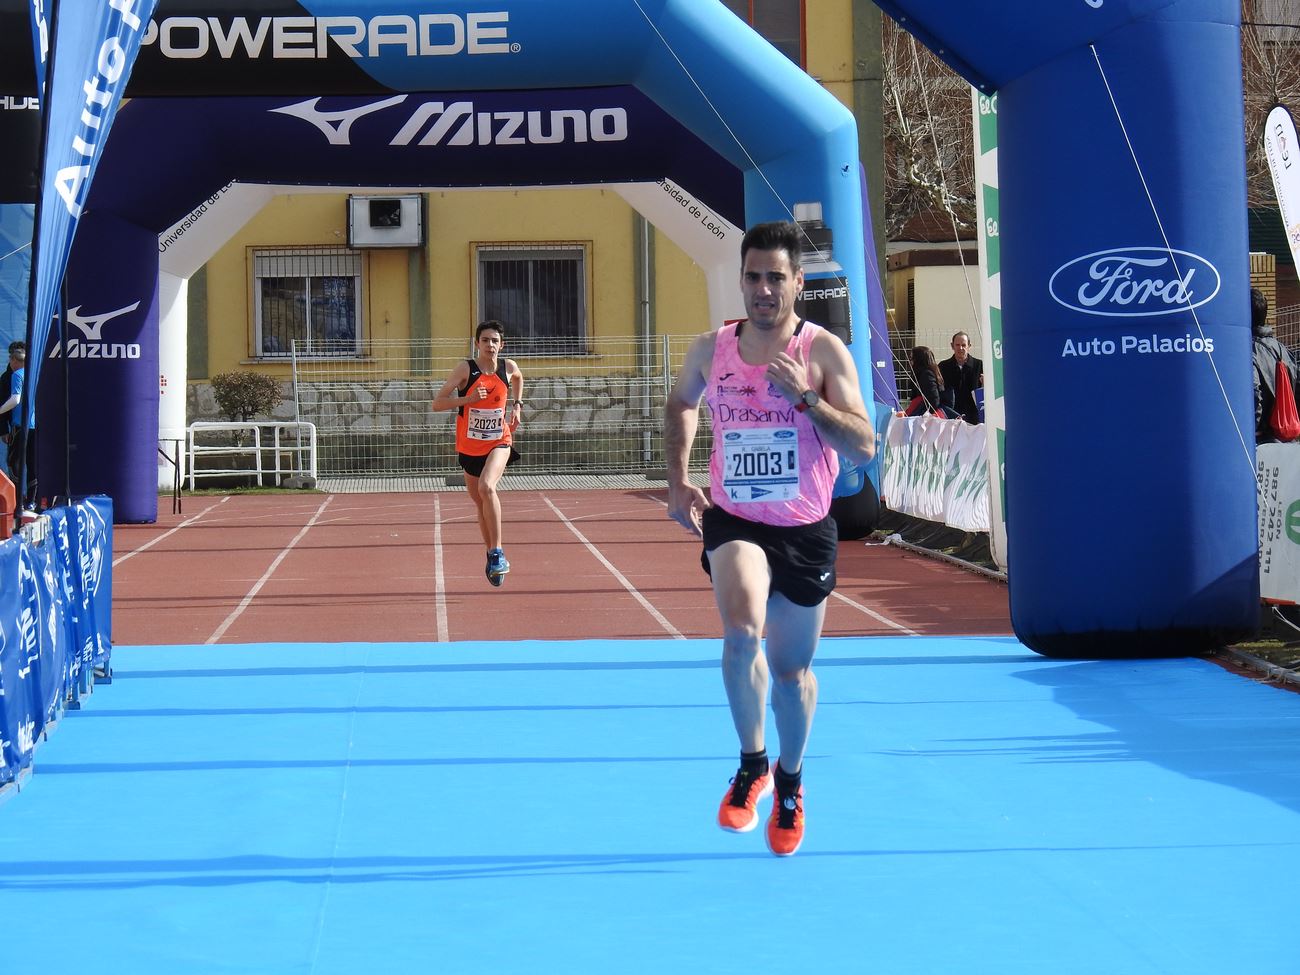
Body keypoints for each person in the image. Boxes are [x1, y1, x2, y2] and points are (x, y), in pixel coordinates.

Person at [663, 220, 875, 857]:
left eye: (774, 278)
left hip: (805, 530)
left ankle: (790, 778)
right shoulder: (711, 348)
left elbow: (863, 446)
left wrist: (806, 400)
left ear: (797, 283)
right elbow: (680, 403)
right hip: (735, 521)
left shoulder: (823, 352)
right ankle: (752, 763)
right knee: (742, 629)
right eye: (752, 277)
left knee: (791, 674)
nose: (761, 290)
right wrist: (677, 482)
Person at [432, 320, 524, 586]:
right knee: (480, 502)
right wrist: (468, 400)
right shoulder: (466, 370)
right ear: (477, 344)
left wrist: (517, 406)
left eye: (495, 341)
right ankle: (490, 554)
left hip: (499, 441)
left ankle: (498, 552)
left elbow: (518, 378)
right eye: (485, 340)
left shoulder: (508, 368)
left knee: (487, 488)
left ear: (501, 345)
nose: (491, 345)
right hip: (470, 447)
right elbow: (437, 403)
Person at [1251, 287, 1300, 444]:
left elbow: (1254, 393)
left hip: (1262, 440)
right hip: (1287, 438)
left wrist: (1251, 430)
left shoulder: (1248, 351)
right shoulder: (1283, 349)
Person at [0, 341, 35, 501]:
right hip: (34, 426)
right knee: (32, 464)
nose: (10, 362)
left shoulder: (16, 375)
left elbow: (15, 399)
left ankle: (18, 501)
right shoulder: (35, 374)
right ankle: (30, 502)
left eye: (11, 359)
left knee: (15, 464)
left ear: (15, 360)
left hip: (21, 426)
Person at [938, 330, 984, 424]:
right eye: (957, 345)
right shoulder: (943, 367)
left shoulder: (980, 365)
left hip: (974, 418)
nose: (960, 348)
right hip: (950, 418)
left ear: (969, 346)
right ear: (952, 346)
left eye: (963, 345)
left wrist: (984, 383)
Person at [904, 345, 958, 418]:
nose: (911, 362)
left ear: (918, 359)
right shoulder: (930, 372)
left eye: (912, 358)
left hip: (927, 416)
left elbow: (933, 399)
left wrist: (927, 414)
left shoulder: (926, 375)